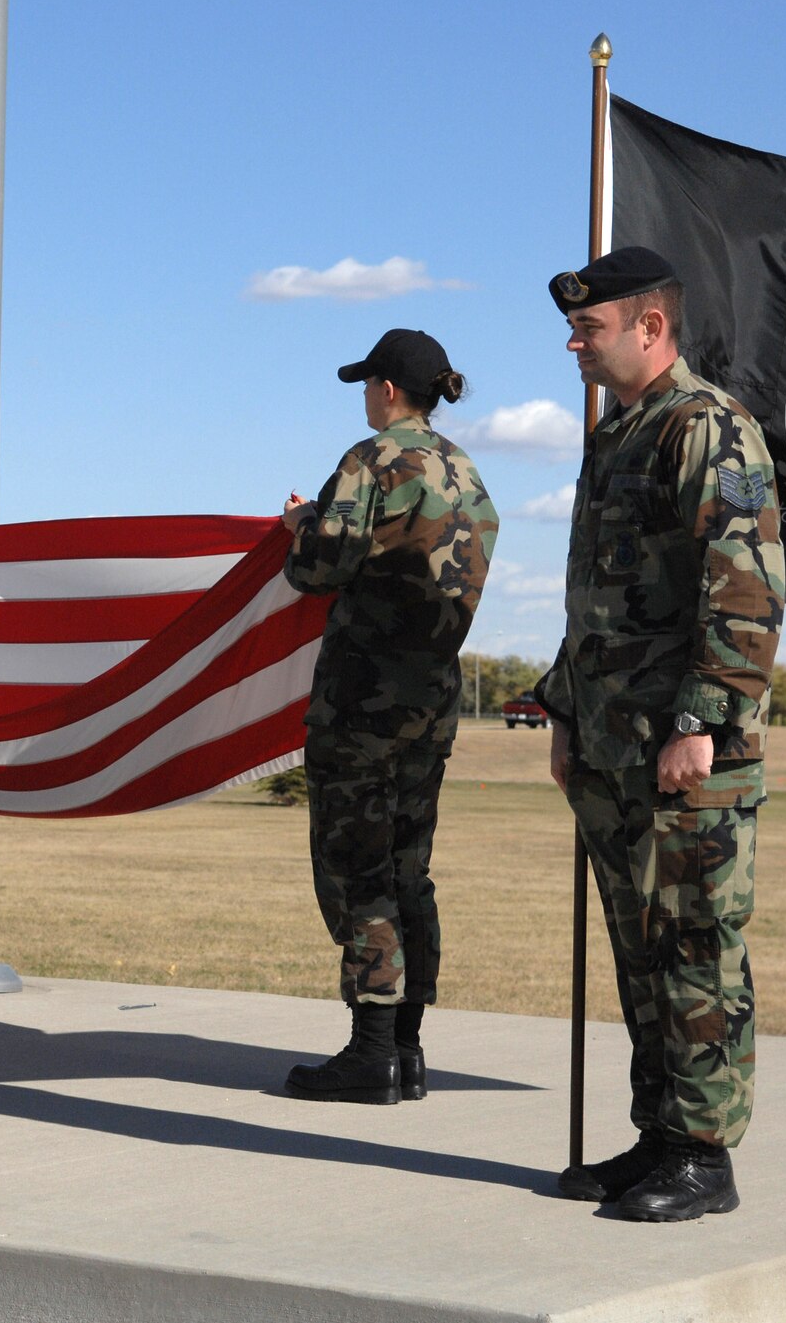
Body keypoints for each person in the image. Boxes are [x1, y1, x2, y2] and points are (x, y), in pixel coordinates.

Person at [538, 247, 785, 1221]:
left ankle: (705, 1154)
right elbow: (591, 598)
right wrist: (562, 707)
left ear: (649, 327)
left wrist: (703, 722)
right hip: (609, 746)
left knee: (693, 948)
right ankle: (659, 1138)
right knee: (641, 949)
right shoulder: (618, 435)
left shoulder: (707, 430)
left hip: (683, 748)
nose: (572, 344)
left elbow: (745, 589)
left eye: (588, 328)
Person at [279, 328, 498, 1105]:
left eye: (368, 383)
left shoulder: (372, 461)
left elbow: (318, 567)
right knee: (410, 866)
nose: (365, 397)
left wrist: (297, 524)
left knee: (358, 864)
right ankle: (407, 1049)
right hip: (432, 700)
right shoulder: (467, 473)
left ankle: (371, 1050)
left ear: (389, 390)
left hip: (363, 700)